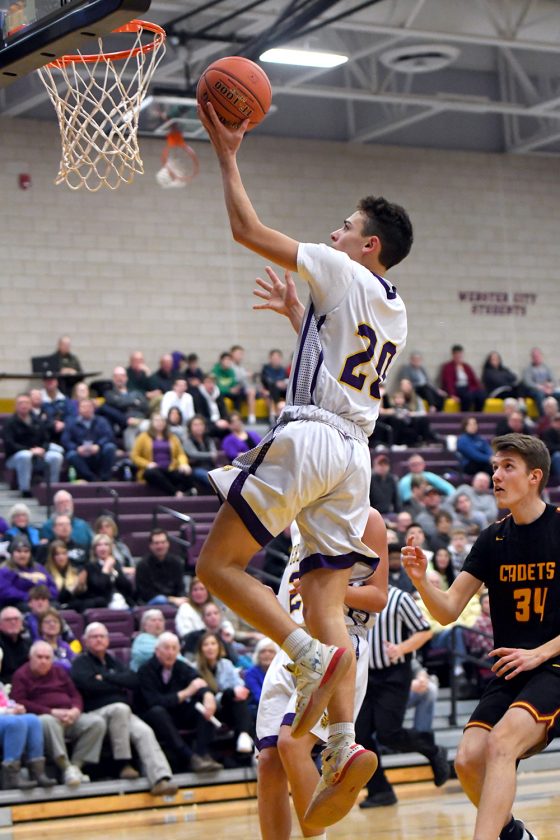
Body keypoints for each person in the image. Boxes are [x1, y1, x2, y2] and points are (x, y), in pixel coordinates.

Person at [197, 101, 413, 824]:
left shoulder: (340, 268)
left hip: (312, 437)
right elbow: (341, 361)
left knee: (217, 568)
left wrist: (227, 152)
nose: (333, 233)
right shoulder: (395, 307)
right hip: (355, 456)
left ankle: (303, 654)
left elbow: (246, 230)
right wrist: (301, 315)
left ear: (369, 245)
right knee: (325, 600)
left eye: (344, 227)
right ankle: (344, 743)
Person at [401, 432, 558, 840]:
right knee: (468, 761)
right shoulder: (492, 538)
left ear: (534, 476)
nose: (496, 476)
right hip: (512, 671)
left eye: (508, 467)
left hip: (554, 665)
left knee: (502, 742)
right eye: (494, 468)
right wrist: (421, 581)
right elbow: (448, 609)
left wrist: (540, 653)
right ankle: (514, 836)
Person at [255, 510, 388, 839]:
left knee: (292, 744)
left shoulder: (367, 517)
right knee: (269, 760)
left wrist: (325, 591)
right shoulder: (299, 517)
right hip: (291, 642)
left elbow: (378, 597)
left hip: (338, 638)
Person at [356, 584, 449, 809]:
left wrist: (402, 648)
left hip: (394, 674)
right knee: (360, 736)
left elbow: (425, 631)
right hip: (364, 675)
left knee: (388, 733)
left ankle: (432, 749)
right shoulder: (354, 595)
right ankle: (381, 791)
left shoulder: (399, 598)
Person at [70, 622, 178, 795]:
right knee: (120, 708)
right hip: (96, 713)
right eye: (94, 637)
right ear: (86, 641)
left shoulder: (113, 661)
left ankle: (161, 778)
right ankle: (123, 764)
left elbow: (133, 681)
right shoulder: (80, 663)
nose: (99, 640)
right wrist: (116, 682)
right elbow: (88, 685)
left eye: (102, 636)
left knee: (144, 731)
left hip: (122, 713)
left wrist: (104, 677)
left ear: (108, 640)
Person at [11, 641, 106, 788]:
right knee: (47, 721)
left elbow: (75, 694)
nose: (43, 661)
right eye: (39, 657)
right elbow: (20, 702)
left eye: (47, 658)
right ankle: (65, 766)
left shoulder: (59, 672)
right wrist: (51, 712)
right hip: (44, 718)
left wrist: (75, 710)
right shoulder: (21, 675)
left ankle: (75, 767)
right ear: (30, 658)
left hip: (69, 716)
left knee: (97, 722)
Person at [135, 632, 223, 772]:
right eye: (166, 648)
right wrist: (186, 692)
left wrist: (208, 695)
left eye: (174, 648)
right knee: (158, 712)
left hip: (177, 714)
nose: (170, 652)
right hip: (153, 720)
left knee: (203, 707)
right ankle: (190, 757)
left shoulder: (181, 666)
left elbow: (198, 681)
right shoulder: (145, 670)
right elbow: (155, 702)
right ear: (157, 650)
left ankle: (202, 754)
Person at [195, 631, 254, 758]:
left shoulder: (226, 664)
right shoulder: (195, 669)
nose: (210, 647)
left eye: (213, 644)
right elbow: (203, 697)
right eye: (206, 644)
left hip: (228, 708)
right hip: (208, 711)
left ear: (219, 647)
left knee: (240, 700)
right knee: (230, 693)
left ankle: (243, 736)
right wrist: (230, 693)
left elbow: (238, 685)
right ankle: (244, 738)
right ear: (201, 649)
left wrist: (237, 691)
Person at [2, 393, 63, 497]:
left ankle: (52, 488)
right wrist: (30, 450)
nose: (24, 405)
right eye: (21, 403)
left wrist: (42, 449)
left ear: (31, 405)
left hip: (37, 455)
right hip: (15, 457)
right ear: (15, 406)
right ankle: (25, 490)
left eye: (26, 403)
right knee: (25, 455)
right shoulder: (9, 423)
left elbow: (46, 440)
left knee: (56, 456)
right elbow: (9, 444)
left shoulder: (38, 421)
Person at [131, 413, 195, 497]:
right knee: (151, 473)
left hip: (170, 469)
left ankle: (190, 492)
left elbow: (180, 454)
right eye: (157, 420)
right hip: (154, 470)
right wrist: (147, 464)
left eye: (162, 420)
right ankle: (175, 492)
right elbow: (134, 456)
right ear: (152, 422)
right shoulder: (143, 437)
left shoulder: (172, 437)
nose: (159, 423)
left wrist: (183, 464)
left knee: (187, 472)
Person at [61, 398, 117, 482]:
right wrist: (77, 448)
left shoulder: (102, 421)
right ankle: (91, 479)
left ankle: (104, 478)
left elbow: (109, 435)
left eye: (88, 407)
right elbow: (65, 440)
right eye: (83, 407)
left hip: (98, 452)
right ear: (78, 409)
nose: (86, 409)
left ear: (93, 408)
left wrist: (99, 445)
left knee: (110, 447)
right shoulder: (71, 423)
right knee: (71, 455)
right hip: (80, 454)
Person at [98, 365, 150, 451]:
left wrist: (124, 403)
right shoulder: (109, 394)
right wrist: (134, 402)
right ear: (113, 379)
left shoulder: (136, 392)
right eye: (117, 376)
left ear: (126, 378)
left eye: (122, 376)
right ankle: (134, 456)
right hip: (125, 424)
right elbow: (118, 404)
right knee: (131, 431)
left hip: (141, 421)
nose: (120, 379)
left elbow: (145, 407)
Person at [0, 535, 58, 609]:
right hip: (17, 605)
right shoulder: (5, 570)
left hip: (42, 602)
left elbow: (53, 588)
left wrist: (44, 597)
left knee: (55, 606)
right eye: (18, 551)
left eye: (26, 551)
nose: (22, 555)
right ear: (12, 553)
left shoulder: (39, 568)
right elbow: (5, 592)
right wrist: (29, 597)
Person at [135, 529, 187, 607]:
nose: (160, 546)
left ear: (168, 544)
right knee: (161, 599)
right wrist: (170, 599)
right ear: (150, 546)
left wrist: (181, 598)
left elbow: (180, 587)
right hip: (151, 603)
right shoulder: (142, 565)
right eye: (156, 543)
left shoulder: (177, 562)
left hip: (176, 601)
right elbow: (145, 594)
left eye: (163, 542)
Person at [82, 534, 135, 610]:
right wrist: (106, 568)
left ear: (110, 548)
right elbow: (99, 588)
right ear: (94, 549)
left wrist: (116, 573)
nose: (103, 548)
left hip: (122, 601)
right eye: (99, 545)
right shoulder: (90, 567)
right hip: (103, 605)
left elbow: (127, 588)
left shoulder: (116, 564)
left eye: (106, 545)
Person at [440, 345, 486, 412]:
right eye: (457, 355)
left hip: (468, 388)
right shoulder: (448, 367)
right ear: (453, 355)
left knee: (481, 395)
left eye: (460, 355)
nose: (459, 357)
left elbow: (474, 380)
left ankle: (478, 414)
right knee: (468, 396)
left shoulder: (466, 366)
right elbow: (448, 383)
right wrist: (452, 394)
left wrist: (479, 389)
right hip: (457, 388)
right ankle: (464, 415)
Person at [183, 415, 220, 493]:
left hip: (210, 466)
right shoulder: (188, 440)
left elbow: (214, 453)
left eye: (200, 424)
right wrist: (210, 455)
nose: (198, 427)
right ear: (190, 427)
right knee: (207, 476)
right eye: (195, 425)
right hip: (195, 467)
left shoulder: (208, 439)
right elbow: (193, 454)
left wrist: (211, 455)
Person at [521, 347, 560, 414]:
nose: (537, 358)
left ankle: (557, 415)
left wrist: (550, 386)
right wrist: (539, 387)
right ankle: (543, 416)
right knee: (540, 395)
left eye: (538, 356)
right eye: (535, 356)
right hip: (535, 390)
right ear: (532, 357)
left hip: (548, 390)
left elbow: (553, 380)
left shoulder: (546, 368)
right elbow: (528, 382)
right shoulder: (528, 369)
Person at [0, 607, 31, 683]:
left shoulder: (28, 644)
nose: (13, 622)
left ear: (22, 623)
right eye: (8, 620)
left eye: (16, 619)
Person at [230, 344, 258, 424]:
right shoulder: (230, 365)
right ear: (232, 354)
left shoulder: (240, 367)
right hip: (233, 388)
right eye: (238, 353)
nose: (240, 356)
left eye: (241, 354)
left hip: (242, 388)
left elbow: (244, 381)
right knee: (251, 391)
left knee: (253, 390)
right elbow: (235, 378)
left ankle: (252, 416)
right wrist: (247, 374)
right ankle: (251, 417)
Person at [260, 349, 290, 420]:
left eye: (277, 358)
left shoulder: (283, 370)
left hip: (281, 392)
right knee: (270, 393)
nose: (276, 360)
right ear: (270, 359)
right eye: (274, 358)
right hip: (269, 390)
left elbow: (286, 380)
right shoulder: (266, 369)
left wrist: (284, 384)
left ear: (280, 359)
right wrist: (276, 383)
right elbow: (266, 381)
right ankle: (273, 415)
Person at [541, 411, 560, 479]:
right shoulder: (547, 432)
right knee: (557, 456)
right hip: (551, 455)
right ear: (552, 422)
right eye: (556, 421)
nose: (558, 423)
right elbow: (549, 447)